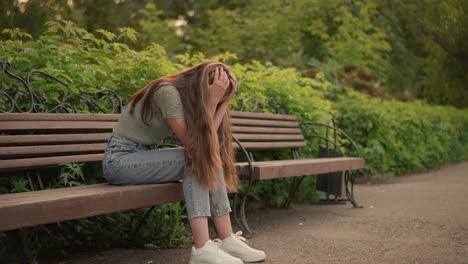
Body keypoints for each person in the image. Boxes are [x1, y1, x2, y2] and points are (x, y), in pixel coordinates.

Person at [102, 61, 266, 264]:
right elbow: (196, 146)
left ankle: (226, 238)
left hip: (141, 158)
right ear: (202, 86)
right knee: (196, 158)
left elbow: (207, 143)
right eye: (214, 93)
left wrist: (222, 103)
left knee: (204, 156)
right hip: (121, 160)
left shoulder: (185, 97)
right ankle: (202, 247)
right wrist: (213, 101)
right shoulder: (167, 92)